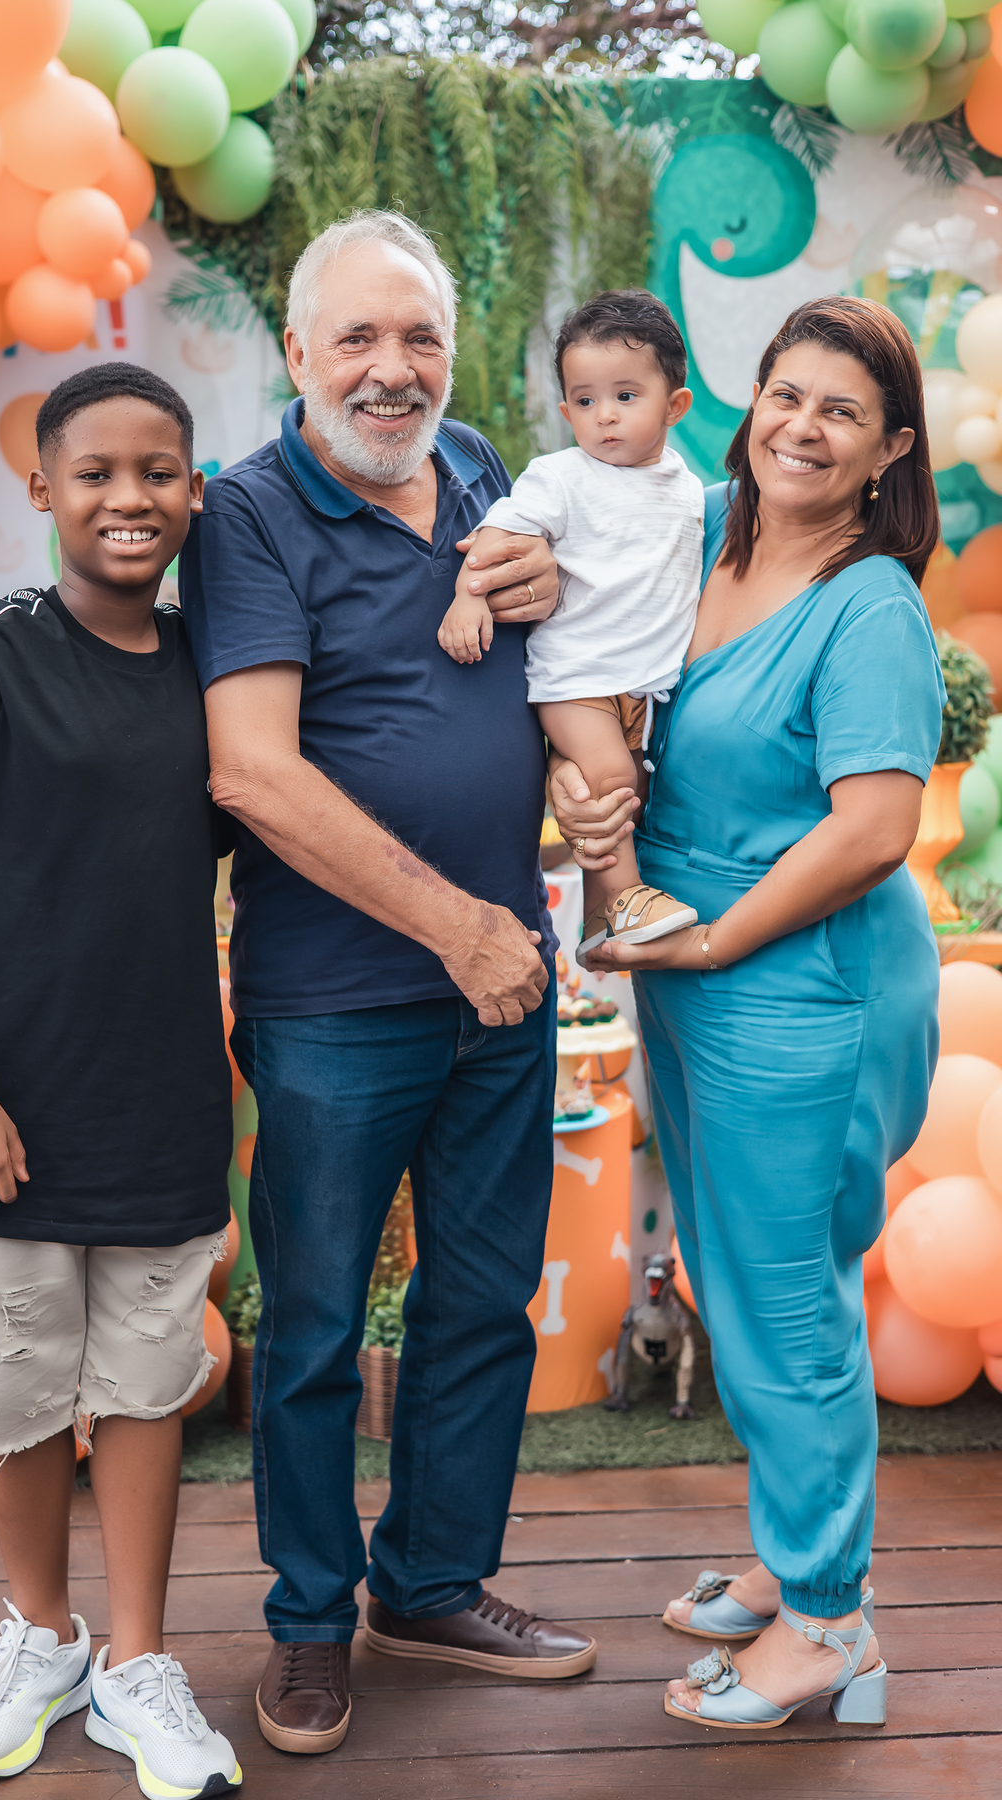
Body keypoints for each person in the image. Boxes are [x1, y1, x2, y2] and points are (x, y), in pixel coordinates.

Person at [180, 209, 600, 1759]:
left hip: (503, 993)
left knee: (481, 1304)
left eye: (419, 335)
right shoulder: (249, 513)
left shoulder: (479, 469)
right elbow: (252, 773)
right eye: (356, 335)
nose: (391, 367)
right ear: (298, 352)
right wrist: (462, 928)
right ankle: (308, 1625)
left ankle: (429, 1585)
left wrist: (551, 584)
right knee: (310, 1328)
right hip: (337, 1005)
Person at [552, 295, 943, 1729]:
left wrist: (712, 940)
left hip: (798, 983)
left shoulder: (870, 603)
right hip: (695, 972)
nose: (804, 428)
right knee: (729, 1274)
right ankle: (793, 1558)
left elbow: (875, 829)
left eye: (844, 412)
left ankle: (831, 1624)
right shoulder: (705, 534)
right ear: (750, 400)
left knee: (788, 1301)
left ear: (889, 449)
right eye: (788, 394)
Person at [0, 364, 243, 1797]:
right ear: (43, 489)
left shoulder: (216, 671)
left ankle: (137, 1662)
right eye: (95, 473)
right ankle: (43, 1635)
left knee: (146, 1386)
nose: (129, 498)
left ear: (195, 493)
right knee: (17, 1390)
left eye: (159, 473)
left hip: (160, 1100)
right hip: (2, 1116)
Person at [439, 290, 703, 957]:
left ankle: (596, 921)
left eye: (626, 396)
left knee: (628, 790)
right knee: (610, 783)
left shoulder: (686, 488)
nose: (604, 416)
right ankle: (629, 897)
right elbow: (497, 535)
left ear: (674, 405)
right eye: (585, 401)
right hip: (576, 680)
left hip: (646, 686)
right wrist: (469, 597)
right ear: (566, 411)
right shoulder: (560, 477)